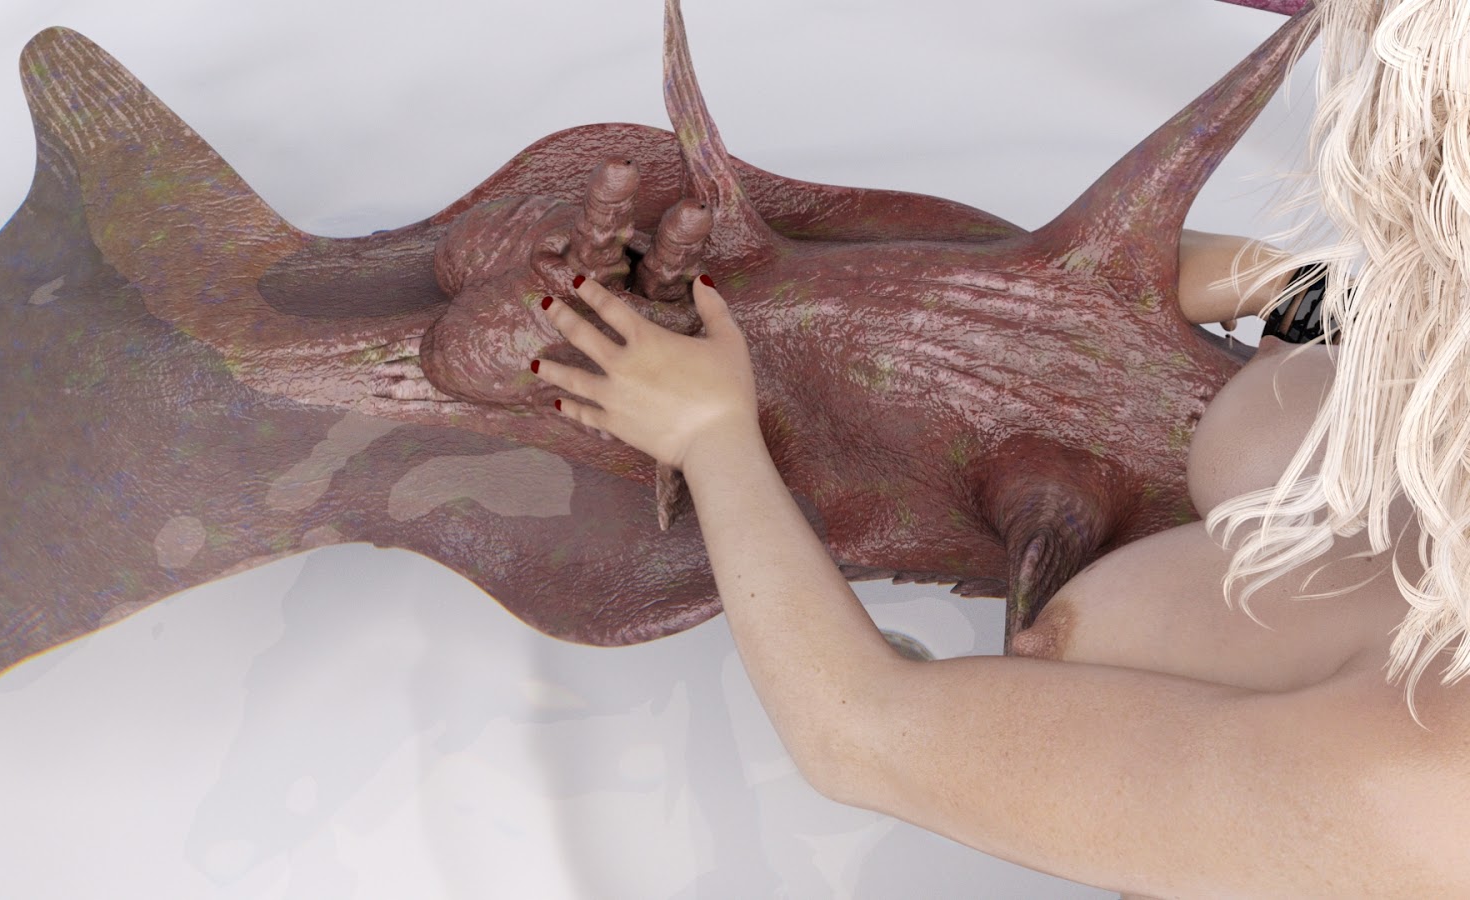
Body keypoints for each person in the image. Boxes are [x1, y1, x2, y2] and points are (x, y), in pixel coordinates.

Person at [532, 0, 1470, 895]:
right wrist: (1305, 294)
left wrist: (711, 437)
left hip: (1238, 795)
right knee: (1277, 431)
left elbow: (858, 736)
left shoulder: (1418, 793)